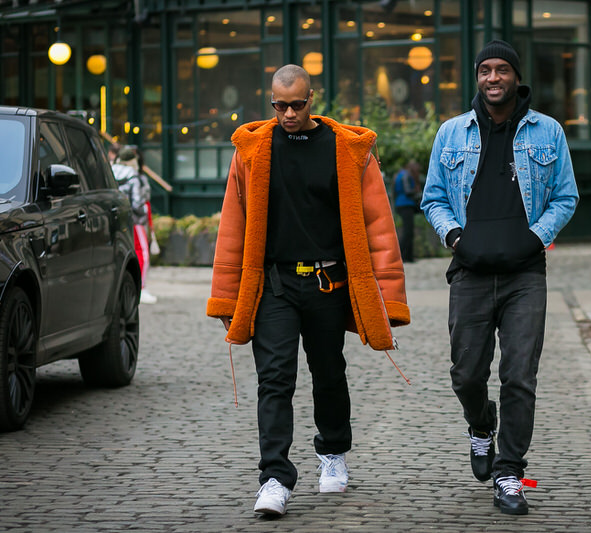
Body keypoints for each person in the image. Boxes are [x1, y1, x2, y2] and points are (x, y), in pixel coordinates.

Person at [206, 64, 410, 517]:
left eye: (297, 104)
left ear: (311, 99)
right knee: (274, 379)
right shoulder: (253, 150)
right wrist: (225, 295)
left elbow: (378, 225)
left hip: (328, 282)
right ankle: (274, 478)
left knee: (329, 373)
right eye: (279, 105)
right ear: (271, 101)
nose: (288, 114)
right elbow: (233, 225)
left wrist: (389, 296)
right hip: (275, 285)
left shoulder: (346, 149)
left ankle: (332, 451)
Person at [421, 40, 579, 515]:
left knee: (519, 376)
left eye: (502, 70)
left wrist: (536, 239)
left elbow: (565, 198)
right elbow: (433, 199)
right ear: (477, 76)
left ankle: (510, 472)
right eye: (486, 70)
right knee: (466, 375)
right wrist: (454, 239)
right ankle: (480, 424)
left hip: (525, 276)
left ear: (516, 77)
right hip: (468, 273)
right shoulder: (452, 133)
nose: (494, 78)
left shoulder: (547, 131)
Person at [112, 146, 157, 304]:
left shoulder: (111, 172)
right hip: (135, 222)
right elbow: (138, 203)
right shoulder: (134, 176)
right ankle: (141, 287)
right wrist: (144, 211)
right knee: (142, 253)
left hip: (117, 221)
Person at [393, 160, 422, 262]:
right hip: (406, 205)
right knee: (408, 232)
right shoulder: (406, 175)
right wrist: (417, 192)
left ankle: (407, 257)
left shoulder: (400, 174)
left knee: (408, 232)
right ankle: (401, 256)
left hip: (400, 204)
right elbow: (408, 191)